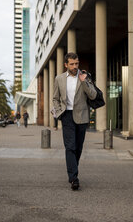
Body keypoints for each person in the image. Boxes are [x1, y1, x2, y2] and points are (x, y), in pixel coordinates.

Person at [53, 52, 97, 190]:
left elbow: (93, 95)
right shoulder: (59, 79)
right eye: (71, 64)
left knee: (78, 147)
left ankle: (73, 170)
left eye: (76, 63)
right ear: (66, 64)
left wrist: (84, 81)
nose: (74, 66)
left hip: (82, 116)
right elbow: (55, 98)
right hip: (66, 115)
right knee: (70, 146)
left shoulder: (85, 76)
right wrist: (59, 110)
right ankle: (74, 178)